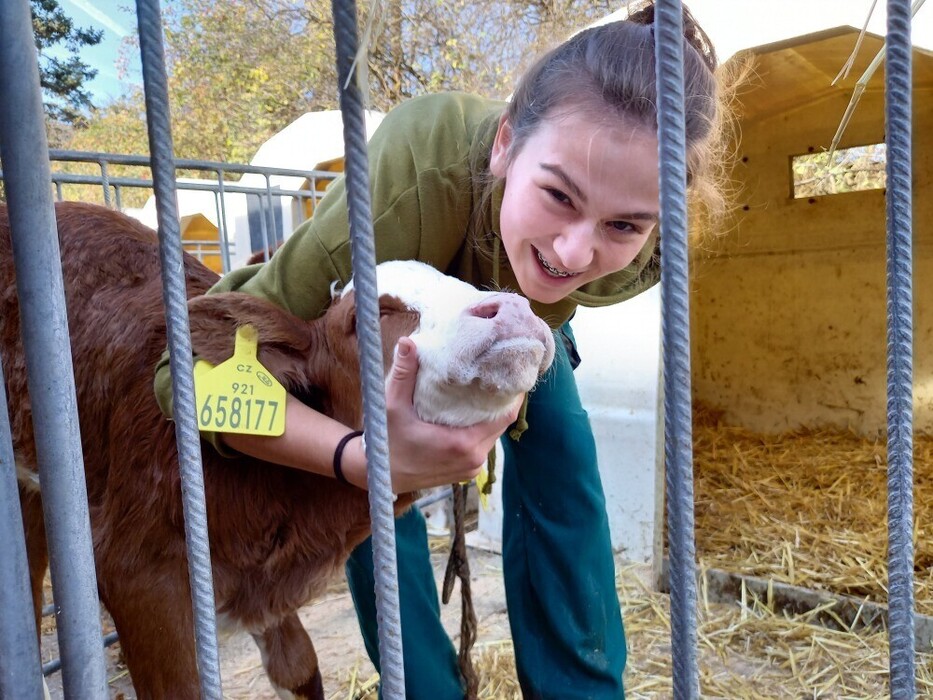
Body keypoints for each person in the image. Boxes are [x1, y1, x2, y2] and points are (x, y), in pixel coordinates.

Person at [154, 2, 726, 697]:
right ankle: (424, 686)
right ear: (505, 144)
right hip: (402, 304)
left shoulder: (646, 256)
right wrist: (357, 457)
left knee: (564, 463)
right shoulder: (408, 180)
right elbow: (184, 373)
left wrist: (508, 364)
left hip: (511, 304)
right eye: (557, 194)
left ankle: (578, 689)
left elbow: (560, 278)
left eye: (623, 223)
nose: (579, 248)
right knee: (373, 483)